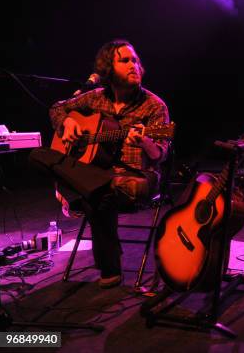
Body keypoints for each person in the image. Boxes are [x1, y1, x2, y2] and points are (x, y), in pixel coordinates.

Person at [31, 40, 170, 288]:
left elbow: (160, 155)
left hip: (136, 176)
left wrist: (145, 141)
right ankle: (78, 187)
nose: (133, 65)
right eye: (124, 61)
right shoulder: (95, 98)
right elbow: (56, 109)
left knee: (98, 191)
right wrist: (67, 124)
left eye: (135, 60)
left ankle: (71, 190)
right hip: (97, 173)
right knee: (39, 155)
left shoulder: (154, 106)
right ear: (108, 68)